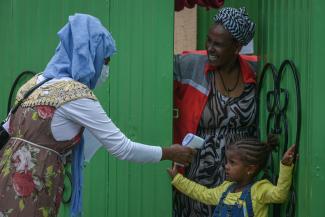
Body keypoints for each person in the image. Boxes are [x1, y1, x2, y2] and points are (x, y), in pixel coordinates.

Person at [0, 13, 195, 217]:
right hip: (32, 191)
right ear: (90, 56)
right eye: (105, 60)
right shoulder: (76, 95)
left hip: (5, 179)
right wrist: (169, 153)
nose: (106, 68)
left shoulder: (36, 82)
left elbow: (10, 129)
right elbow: (123, 148)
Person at [173, 7, 257, 216]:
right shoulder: (190, 65)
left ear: (236, 47)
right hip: (198, 174)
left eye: (218, 44)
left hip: (240, 178)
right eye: (208, 40)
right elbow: (154, 71)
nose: (210, 48)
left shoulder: (254, 73)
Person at [168, 135, 296, 217]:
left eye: (232, 163)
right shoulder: (225, 189)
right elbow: (202, 193)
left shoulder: (259, 190)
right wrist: (178, 179)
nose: (226, 166)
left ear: (250, 169)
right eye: (227, 161)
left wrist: (285, 166)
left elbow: (280, 195)